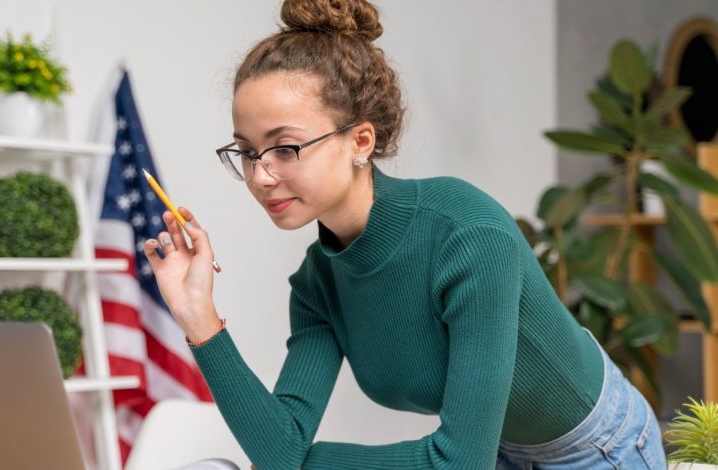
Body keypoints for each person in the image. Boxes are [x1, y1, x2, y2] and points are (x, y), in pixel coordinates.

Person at [143, 0, 667, 468]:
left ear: (360, 141)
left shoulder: (467, 233)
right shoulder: (317, 282)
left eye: (285, 147)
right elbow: (280, 446)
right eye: (248, 152)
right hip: (502, 452)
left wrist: (305, 465)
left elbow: (459, 461)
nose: (260, 175)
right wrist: (198, 315)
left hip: (598, 449)